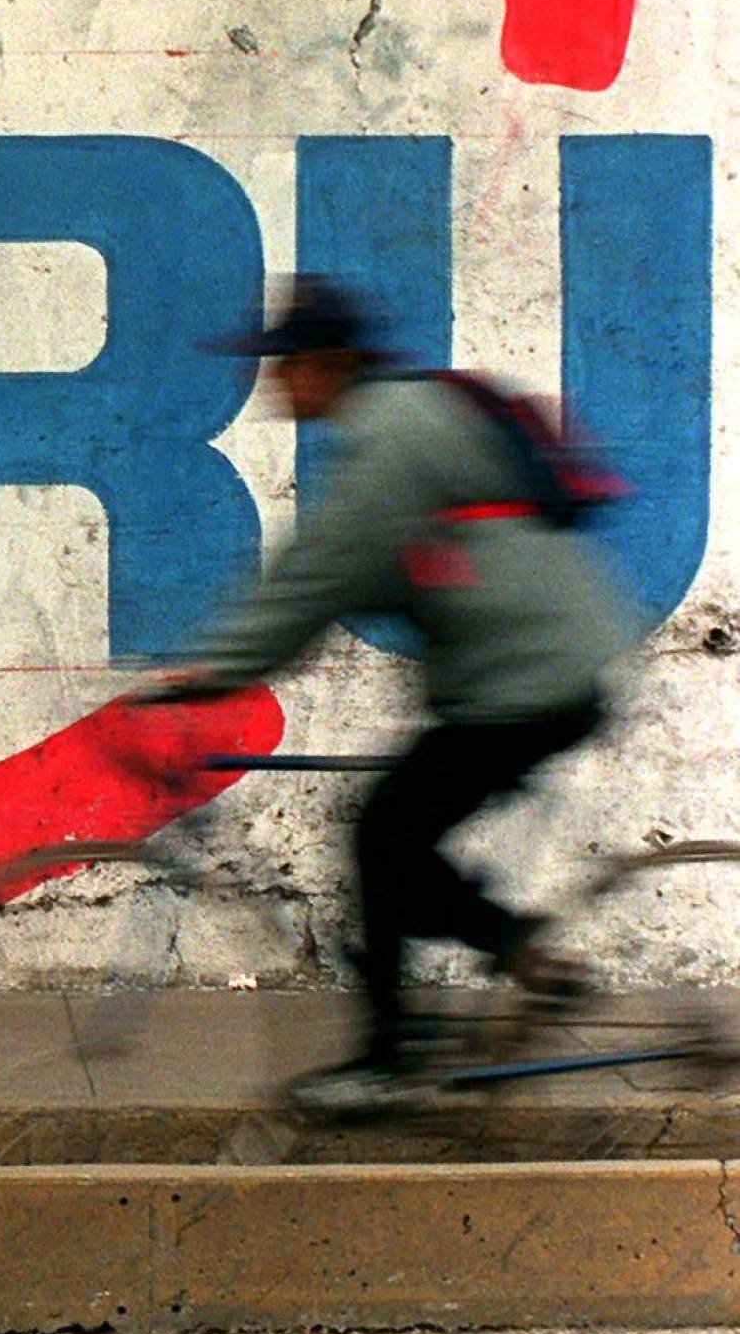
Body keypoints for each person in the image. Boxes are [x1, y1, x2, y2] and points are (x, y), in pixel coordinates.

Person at [148, 277, 637, 1113]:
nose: (272, 383)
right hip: (534, 675)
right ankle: (520, 954)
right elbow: (359, 573)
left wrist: (212, 671)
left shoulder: (389, 439)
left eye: (286, 364)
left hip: (527, 685)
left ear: (330, 362)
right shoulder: (404, 420)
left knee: (382, 839)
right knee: (396, 842)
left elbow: (320, 575)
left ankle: (390, 1059)